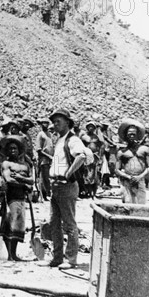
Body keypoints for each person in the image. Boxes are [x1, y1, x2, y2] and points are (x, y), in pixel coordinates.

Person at [39, 108, 86, 270]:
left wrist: (68, 172)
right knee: (54, 223)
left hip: (67, 186)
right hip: (56, 185)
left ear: (67, 122)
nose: (55, 124)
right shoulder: (60, 140)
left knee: (69, 223)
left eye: (58, 121)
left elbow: (81, 156)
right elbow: (59, 161)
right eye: (54, 122)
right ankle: (57, 257)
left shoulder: (73, 140)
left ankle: (71, 258)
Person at [0, 136, 34, 261]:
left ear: (19, 150)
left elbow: (31, 180)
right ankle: (9, 255)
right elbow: (8, 179)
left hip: (21, 198)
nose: (13, 151)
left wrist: (20, 178)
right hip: (10, 197)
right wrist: (24, 183)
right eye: (11, 149)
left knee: (19, 225)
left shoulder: (25, 165)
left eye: (15, 148)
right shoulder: (6, 164)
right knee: (10, 224)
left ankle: (14, 253)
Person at [115, 119, 149, 204]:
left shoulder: (145, 149)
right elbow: (117, 169)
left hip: (140, 180)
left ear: (137, 135)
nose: (131, 136)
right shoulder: (121, 152)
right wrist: (128, 176)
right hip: (127, 181)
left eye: (133, 134)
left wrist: (139, 177)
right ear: (126, 136)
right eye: (129, 134)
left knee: (141, 206)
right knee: (127, 205)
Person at [80, 121, 104, 199]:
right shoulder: (84, 137)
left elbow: (100, 147)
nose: (91, 128)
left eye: (92, 127)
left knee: (95, 175)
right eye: (89, 126)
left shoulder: (96, 137)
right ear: (87, 128)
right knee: (87, 175)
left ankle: (94, 193)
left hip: (95, 157)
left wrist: (100, 157)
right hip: (87, 157)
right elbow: (80, 147)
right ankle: (89, 193)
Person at [35, 118, 53, 201]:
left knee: (48, 177)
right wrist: (48, 156)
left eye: (47, 123)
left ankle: (47, 193)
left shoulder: (49, 134)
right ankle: (43, 195)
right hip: (44, 159)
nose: (45, 125)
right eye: (43, 123)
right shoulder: (40, 134)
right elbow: (39, 149)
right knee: (43, 177)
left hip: (50, 159)